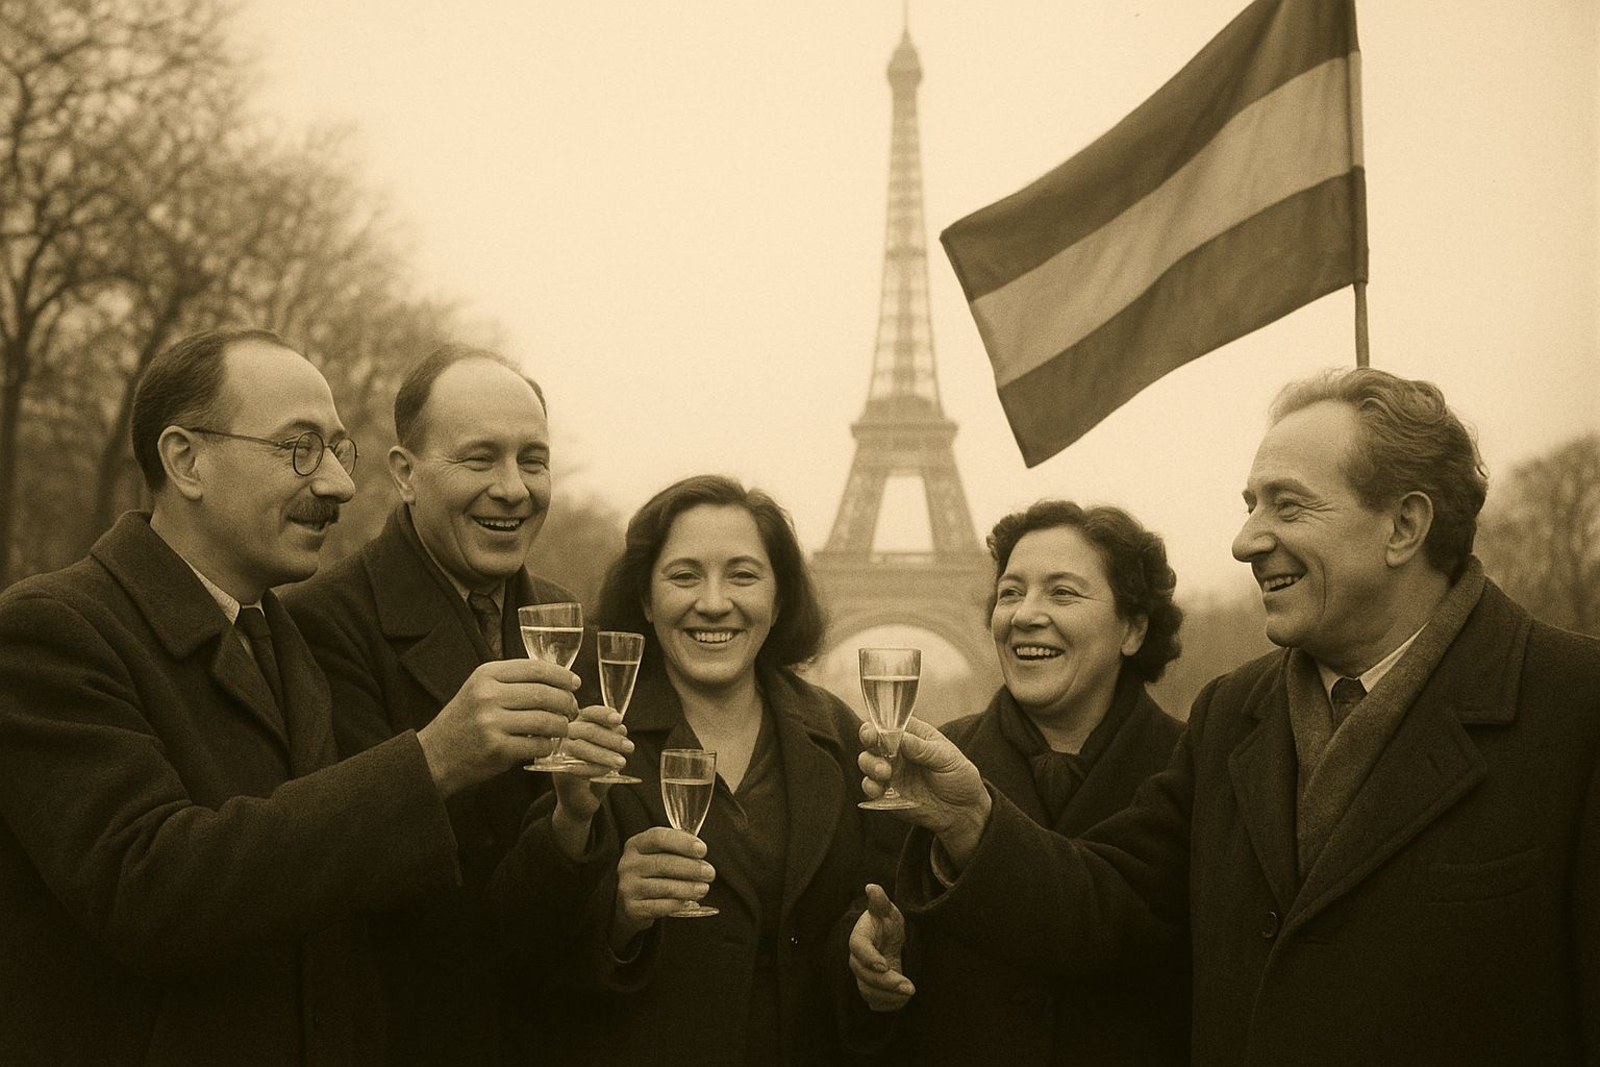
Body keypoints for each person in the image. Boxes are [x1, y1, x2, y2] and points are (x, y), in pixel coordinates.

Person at [860, 368, 1600, 1066]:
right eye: (1251, 505)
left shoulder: (1577, 712)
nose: (1246, 540)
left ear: (1403, 525)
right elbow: (1108, 907)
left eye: (1287, 504)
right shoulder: (1229, 715)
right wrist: (972, 821)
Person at [0, 329, 577, 1066]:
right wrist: (429, 761)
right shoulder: (50, 629)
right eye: (300, 448)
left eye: (339, 450)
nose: (338, 483)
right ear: (186, 460)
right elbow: (149, 887)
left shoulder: (279, 635)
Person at [285, 344, 626, 1066]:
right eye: (481, 460)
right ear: (405, 474)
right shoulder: (324, 622)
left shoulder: (565, 617)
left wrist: (580, 823)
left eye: (533, 461)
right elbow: (362, 881)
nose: (514, 489)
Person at [489, 474, 898, 1067]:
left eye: (743, 575)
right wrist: (615, 906)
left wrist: (866, 952)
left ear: (779, 599)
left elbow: (859, 913)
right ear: (647, 603)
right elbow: (513, 949)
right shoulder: (583, 733)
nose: (713, 601)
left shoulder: (840, 734)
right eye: (684, 576)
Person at [849, 500, 1189, 1065]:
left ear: (1133, 628)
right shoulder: (922, 762)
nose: (1025, 614)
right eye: (1010, 592)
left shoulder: (1195, 767)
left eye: (1062, 592)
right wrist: (863, 955)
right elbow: (866, 903)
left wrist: (972, 825)